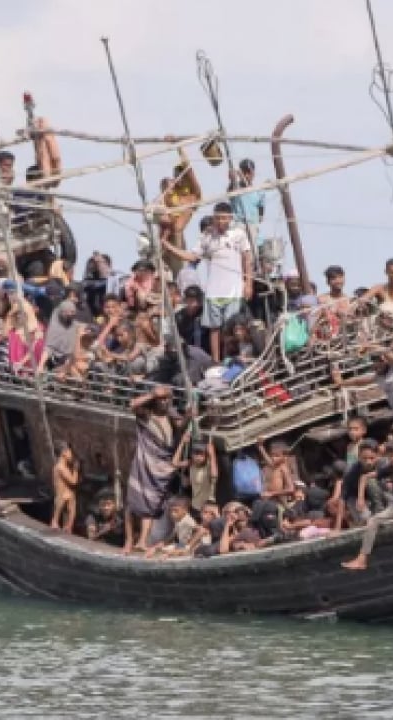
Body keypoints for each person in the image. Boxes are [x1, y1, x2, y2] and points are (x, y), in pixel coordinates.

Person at [162, 201, 253, 363]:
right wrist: (169, 247)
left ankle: (230, 358)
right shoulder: (207, 236)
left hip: (233, 290)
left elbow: (247, 259)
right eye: (218, 218)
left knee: (230, 327)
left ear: (230, 218)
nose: (221, 222)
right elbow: (192, 256)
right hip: (213, 291)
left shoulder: (238, 234)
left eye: (225, 218)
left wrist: (248, 283)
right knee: (214, 328)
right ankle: (216, 361)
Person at [123, 387, 180, 553]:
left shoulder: (171, 414)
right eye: (161, 399)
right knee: (132, 504)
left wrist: (190, 416)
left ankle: (142, 541)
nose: (164, 402)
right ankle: (128, 541)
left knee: (151, 504)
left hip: (161, 466)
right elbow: (132, 405)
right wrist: (153, 394)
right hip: (144, 463)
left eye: (166, 399)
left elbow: (181, 425)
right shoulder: (146, 414)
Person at [229, 158, 266, 239]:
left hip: (252, 226)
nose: (246, 175)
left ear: (253, 173)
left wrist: (256, 222)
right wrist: (232, 179)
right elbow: (230, 190)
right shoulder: (235, 187)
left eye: (249, 172)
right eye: (244, 172)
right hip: (237, 225)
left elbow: (261, 213)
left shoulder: (259, 191)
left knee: (252, 249)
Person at [50, 443, 81, 533]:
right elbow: (73, 481)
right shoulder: (61, 467)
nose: (71, 455)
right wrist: (76, 469)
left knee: (69, 512)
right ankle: (56, 522)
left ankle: (68, 527)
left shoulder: (60, 467)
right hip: (63, 496)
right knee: (69, 510)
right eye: (70, 452)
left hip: (65, 496)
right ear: (64, 452)